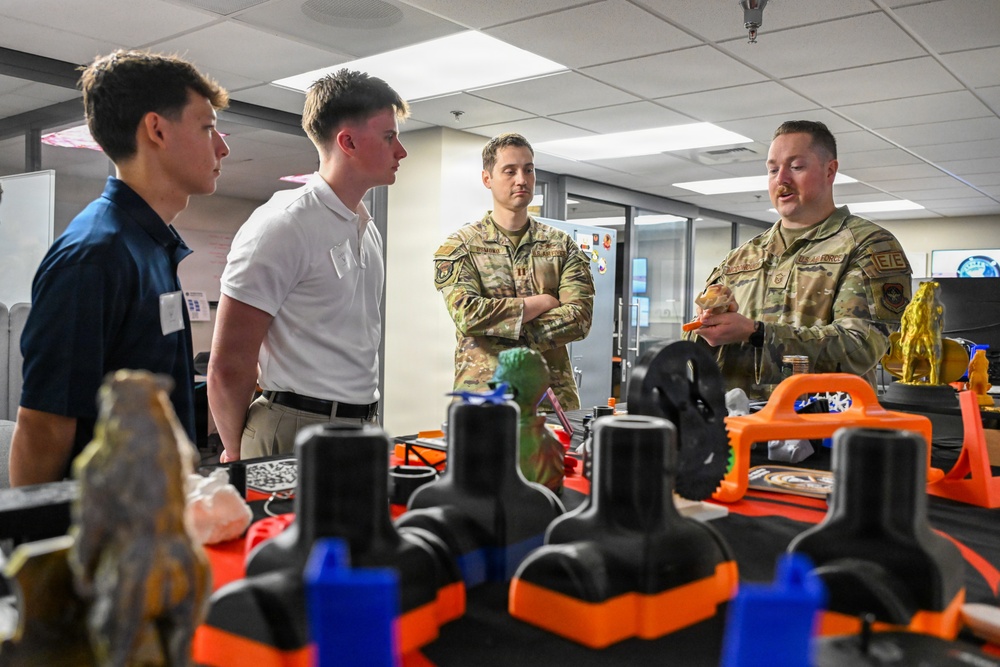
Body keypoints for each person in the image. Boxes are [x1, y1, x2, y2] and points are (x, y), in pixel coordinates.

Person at [10, 50, 230, 486]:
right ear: (156, 129)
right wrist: (36, 546)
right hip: (106, 531)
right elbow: (43, 428)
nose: (222, 146)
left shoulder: (150, 245)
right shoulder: (94, 255)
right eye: (207, 128)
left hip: (155, 515)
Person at [208, 69, 408, 462]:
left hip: (361, 426)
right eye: (389, 137)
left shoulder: (367, 229)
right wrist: (235, 451)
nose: (400, 151)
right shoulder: (283, 223)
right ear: (347, 142)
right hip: (292, 428)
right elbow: (229, 362)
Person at [687, 120, 912, 399]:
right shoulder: (740, 257)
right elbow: (694, 349)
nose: (781, 180)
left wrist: (756, 333)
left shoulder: (868, 245)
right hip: (740, 427)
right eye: (772, 169)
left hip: (823, 430)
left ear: (829, 171)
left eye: (796, 167)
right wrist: (710, 327)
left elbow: (860, 348)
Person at [433, 133, 595, 411]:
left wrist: (497, 335)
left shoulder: (561, 245)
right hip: (484, 398)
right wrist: (541, 303)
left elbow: (580, 318)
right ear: (487, 179)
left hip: (550, 399)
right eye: (510, 171)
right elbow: (468, 315)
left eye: (528, 170)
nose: (522, 179)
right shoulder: (461, 246)